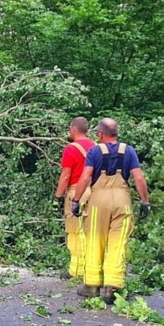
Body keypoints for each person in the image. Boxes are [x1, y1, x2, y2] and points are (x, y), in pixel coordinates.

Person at [71, 118, 150, 304]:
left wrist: (76, 200)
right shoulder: (129, 151)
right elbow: (139, 178)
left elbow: (85, 177)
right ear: (116, 133)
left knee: (95, 240)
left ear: (100, 134)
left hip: (98, 202)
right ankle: (111, 287)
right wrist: (145, 201)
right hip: (122, 201)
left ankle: (91, 285)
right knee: (118, 242)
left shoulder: (94, 151)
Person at [53, 117, 96, 280]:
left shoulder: (71, 149)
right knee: (90, 230)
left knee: (75, 231)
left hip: (76, 192)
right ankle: (92, 267)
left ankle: (77, 270)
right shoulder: (96, 147)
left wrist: (58, 197)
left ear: (73, 129)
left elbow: (66, 176)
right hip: (94, 192)